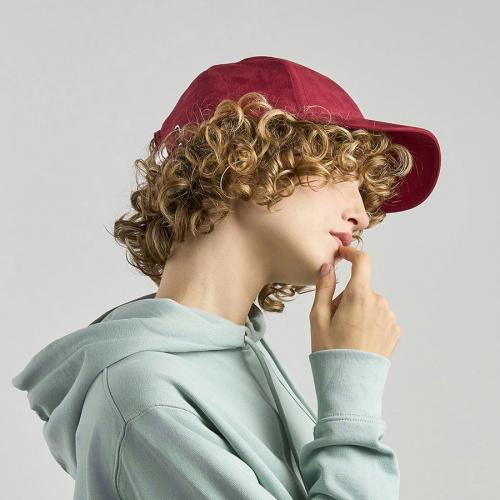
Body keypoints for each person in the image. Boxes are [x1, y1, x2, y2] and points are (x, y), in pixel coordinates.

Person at [12, 56, 441, 499]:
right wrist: (352, 383)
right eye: (340, 173)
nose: (362, 214)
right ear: (242, 161)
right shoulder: (146, 397)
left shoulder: (237, 355)